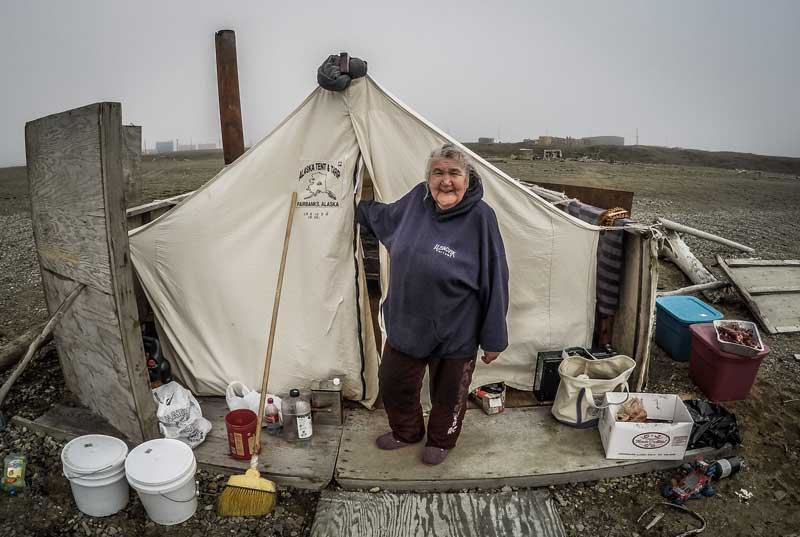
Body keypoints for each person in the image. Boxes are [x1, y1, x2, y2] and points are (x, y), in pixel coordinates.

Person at [357, 143, 509, 465]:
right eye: (438, 172)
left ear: (468, 178)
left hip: (457, 328)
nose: (446, 181)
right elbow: (385, 217)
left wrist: (494, 338)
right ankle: (407, 431)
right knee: (394, 382)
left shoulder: (482, 219)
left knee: (449, 394)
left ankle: (441, 439)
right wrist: (355, 207)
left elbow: (496, 278)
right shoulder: (416, 200)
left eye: (454, 173)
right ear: (428, 177)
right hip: (407, 322)